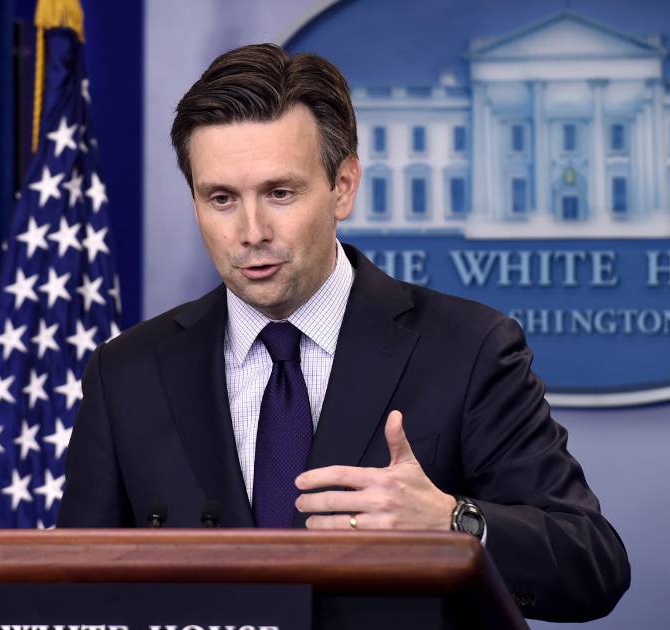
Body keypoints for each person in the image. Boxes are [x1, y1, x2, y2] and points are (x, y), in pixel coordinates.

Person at [58, 43, 630, 622]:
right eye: (222, 198)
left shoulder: (470, 348)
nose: (251, 231)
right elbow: (76, 593)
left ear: (344, 186)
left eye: (280, 193)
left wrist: (451, 522)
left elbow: (591, 565)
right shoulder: (126, 372)